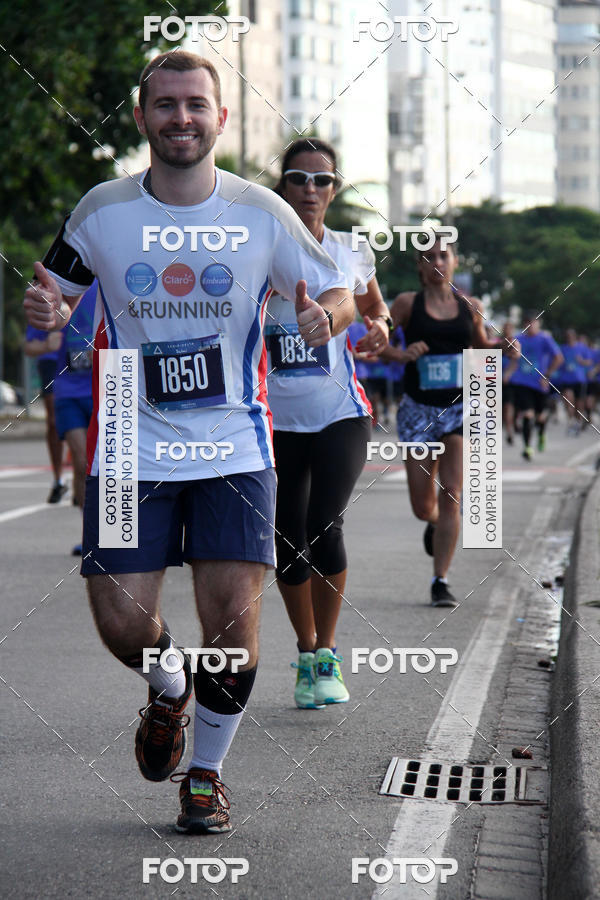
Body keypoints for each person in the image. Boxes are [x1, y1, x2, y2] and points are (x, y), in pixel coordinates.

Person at [23, 51, 355, 834]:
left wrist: (326, 317)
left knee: (233, 632)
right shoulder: (101, 209)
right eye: (165, 105)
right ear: (142, 117)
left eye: (196, 105)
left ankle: (205, 775)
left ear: (221, 118)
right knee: (120, 622)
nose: (182, 118)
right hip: (128, 444)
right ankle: (170, 688)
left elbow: (334, 288)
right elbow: (55, 292)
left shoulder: (262, 210)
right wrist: (42, 314)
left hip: (236, 447)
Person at [267, 138, 390, 709]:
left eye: (322, 180)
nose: (311, 190)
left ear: (335, 188)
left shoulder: (350, 249)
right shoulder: (255, 250)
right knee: (287, 541)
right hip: (275, 421)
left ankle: (329, 653)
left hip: (342, 413)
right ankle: (306, 651)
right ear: (282, 187)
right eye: (298, 178)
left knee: (325, 525)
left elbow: (373, 306)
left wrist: (382, 327)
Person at [388, 237, 519, 607]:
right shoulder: (406, 304)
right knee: (422, 504)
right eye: (428, 258)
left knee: (453, 495)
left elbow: (479, 347)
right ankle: (431, 523)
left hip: (460, 409)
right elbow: (377, 344)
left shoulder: (470, 306)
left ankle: (440, 579)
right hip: (417, 410)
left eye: (443, 256)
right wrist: (401, 352)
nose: (436, 263)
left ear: (455, 261)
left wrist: (503, 350)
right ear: (419, 265)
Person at [52, 281, 97, 552]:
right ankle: (90, 536)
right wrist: (47, 338)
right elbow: (33, 343)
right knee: (82, 462)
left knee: (114, 463)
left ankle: (116, 532)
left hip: (108, 387)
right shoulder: (61, 286)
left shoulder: (111, 280)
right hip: (68, 391)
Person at [504, 312, 563, 460]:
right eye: (526, 323)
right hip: (522, 383)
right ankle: (527, 447)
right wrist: (508, 373)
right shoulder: (518, 339)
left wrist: (547, 374)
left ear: (538, 323)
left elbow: (558, 358)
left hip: (540, 383)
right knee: (527, 414)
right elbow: (514, 360)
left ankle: (542, 433)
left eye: (532, 322)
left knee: (540, 417)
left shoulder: (545, 339)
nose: (529, 326)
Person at [23, 325, 66, 502]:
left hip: (84, 359)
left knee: (87, 418)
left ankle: (84, 474)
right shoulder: (47, 298)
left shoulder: (94, 297)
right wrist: (46, 347)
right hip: (52, 362)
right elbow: (29, 346)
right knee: (54, 422)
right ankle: (58, 480)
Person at [559, 328, 591, 434]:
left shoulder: (582, 347)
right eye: (567, 336)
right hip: (567, 379)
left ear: (574, 336)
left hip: (579, 379)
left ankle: (577, 421)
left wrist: (582, 361)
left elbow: (589, 362)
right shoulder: (563, 348)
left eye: (571, 336)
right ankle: (571, 420)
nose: (569, 338)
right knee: (568, 399)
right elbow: (558, 360)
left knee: (579, 403)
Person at [500, 321, 517, 445]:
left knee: (508, 408)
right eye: (505, 328)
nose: (507, 330)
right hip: (494, 380)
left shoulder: (515, 343)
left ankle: (510, 431)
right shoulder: (497, 343)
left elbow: (515, 361)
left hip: (509, 382)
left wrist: (508, 374)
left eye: (509, 328)